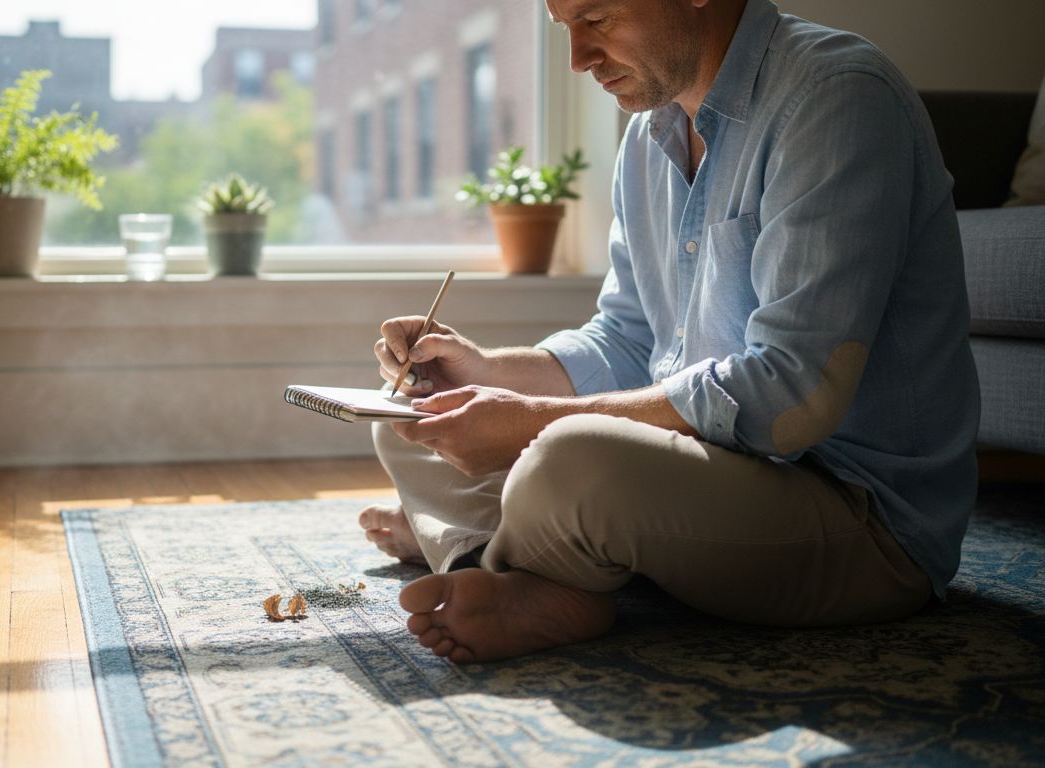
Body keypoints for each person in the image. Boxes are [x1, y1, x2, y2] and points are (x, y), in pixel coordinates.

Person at [359, 0, 980, 664]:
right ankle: (506, 562)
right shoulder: (649, 134)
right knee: (408, 416)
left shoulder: (837, 98)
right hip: (713, 480)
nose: (578, 59)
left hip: (858, 523)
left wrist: (529, 422)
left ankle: (491, 552)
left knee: (569, 458)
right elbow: (629, 341)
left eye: (595, 18)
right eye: (564, 28)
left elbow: (794, 400)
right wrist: (483, 368)